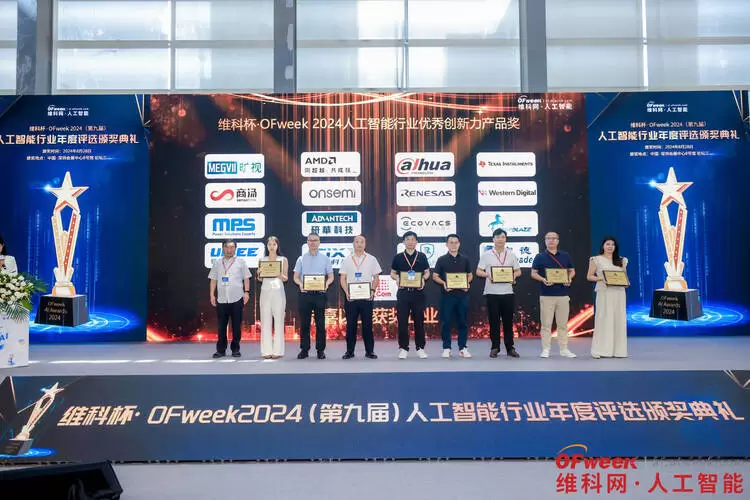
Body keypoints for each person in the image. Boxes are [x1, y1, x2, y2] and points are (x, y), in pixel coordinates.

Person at [531, 232, 577, 359]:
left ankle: (564, 349)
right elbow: (533, 273)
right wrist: (543, 279)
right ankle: (546, 349)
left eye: (554, 238)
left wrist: (569, 278)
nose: (551, 240)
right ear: (545, 241)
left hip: (563, 295)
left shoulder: (565, 256)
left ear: (558, 241)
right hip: (546, 295)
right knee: (546, 324)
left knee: (563, 324)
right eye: (548, 238)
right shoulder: (539, 257)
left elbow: (572, 271)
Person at [476, 228, 521, 358]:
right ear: (493, 239)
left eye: (502, 237)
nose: (500, 239)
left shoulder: (511, 254)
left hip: (508, 292)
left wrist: (513, 276)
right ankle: (495, 347)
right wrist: (488, 275)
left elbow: (518, 271)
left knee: (508, 322)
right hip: (492, 293)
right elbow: (478, 271)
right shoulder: (486, 255)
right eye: (497, 237)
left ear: (505, 239)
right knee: (494, 321)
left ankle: (510, 348)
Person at [339, 235, 381, 359]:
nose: (359, 244)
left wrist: (372, 290)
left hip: (366, 298)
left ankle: (370, 351)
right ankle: (349, 351)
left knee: (367, 325)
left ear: (365, 244)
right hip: (351, 298)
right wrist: (346, 292)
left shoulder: (372, 259)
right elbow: (342, 278)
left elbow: (376, 277)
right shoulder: (347, 260)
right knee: (351, 325)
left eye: (362, 242)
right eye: (357, 242)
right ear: (353, 244)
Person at [390, 231, 431, 359]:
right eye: (407, 239)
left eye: (413, 239)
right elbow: (392, 273)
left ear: (416, 242)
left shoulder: (422, 256)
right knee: (402, 321)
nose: (410, 242)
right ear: (403, 242)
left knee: (419, 321)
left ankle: (420, 348)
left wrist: (423, 279)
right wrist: (397, 278)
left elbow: (427, 272)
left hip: (418, 293)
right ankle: (403, 348)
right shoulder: (398, 257)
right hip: (403, 293)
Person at [293, 232, 334, 359]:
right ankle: (304, 350)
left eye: (315, 240)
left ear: (319, 242)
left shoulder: (325, 259)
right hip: (305, 295)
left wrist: (326, 284)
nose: (313, 243)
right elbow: (296, 277)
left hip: (320, 295)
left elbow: (331, 276)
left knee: (320, 324)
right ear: (307, 242)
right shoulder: (301, 259)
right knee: (304, 324)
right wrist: (300, 284)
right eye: (310, 240)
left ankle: (320, 350)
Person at [208, 239, 251, 358]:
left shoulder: (240, 262)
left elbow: (246, 278)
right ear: (223, 248)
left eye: (232, 247)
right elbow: (213, 279)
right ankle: (220, 350)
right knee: (221, 327)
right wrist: (212, 295)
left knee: (236, 326)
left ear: (235, 249)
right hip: (222, 299)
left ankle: (235, 349)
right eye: (227, 247)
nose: (229, 250)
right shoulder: (217, 263)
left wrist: (247, 292)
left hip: (237, 298)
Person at [432, 234, 473, 358]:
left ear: (459, 244)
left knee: (463, 322)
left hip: (462, 295)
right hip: (447, 296)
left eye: (456, 242)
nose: (453, 245)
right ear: (446, 244)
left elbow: (470, 275)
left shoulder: (465, 259)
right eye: (451, 242)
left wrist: (467, 283)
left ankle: (463, 347)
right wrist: (444, 283)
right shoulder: (441, 259)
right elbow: (435, 276)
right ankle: (446, 348)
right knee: (446, 322)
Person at [587, 236, 628, 358]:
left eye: (612, 244)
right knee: (604, 319)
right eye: (608, 244)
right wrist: (601, 279)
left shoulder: (621, 260)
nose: (610, 246)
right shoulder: (596, 259)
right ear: (603, 246)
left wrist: (626, 282)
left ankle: (618, 351)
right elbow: (589, 276)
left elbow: (625, 277)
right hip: (604, 292)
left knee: (618, 319)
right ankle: (600, 350)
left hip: (619, 293)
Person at [258, 236, 288, 359]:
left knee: (279, 321)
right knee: (265, 321)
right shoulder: (262, 260)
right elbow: (260, 279)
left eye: (274, 244)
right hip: (265, 291)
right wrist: (259, 274)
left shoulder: (283, 259)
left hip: (278, 292)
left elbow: (285, 278)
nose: (271, 246)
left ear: (277, 246)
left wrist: (279, 274)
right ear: (267, 246)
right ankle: (266, 351)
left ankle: (277, 351)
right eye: (269, 244)